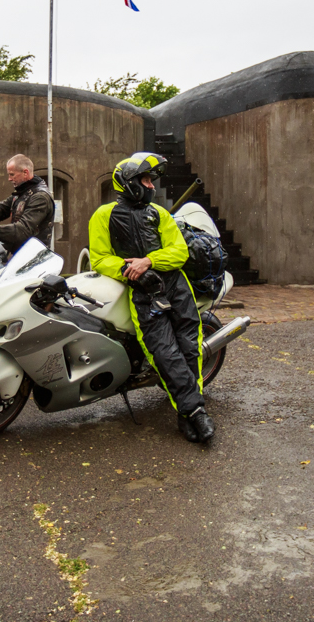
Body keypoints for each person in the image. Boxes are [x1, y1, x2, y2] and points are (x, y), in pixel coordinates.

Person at [88, 152, 216, 443]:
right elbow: (99, 259)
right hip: (144, 294)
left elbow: (179, 250)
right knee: (165, 354)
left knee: (190, 349)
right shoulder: (103, 215)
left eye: (150, 181)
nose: (150, 186)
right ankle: (195, 413)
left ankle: (189, 412)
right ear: (128, 181)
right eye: (145, 180)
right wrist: (128, 269)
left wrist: (148, 261)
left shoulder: (158, 213)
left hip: (176, 286)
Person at [0, 154, 56, 253]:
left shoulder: (40, 197)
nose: (9, 179)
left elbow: (22, 230)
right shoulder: (22, 194)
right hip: (22, 257)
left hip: (35, 259)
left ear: (25, 173)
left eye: (12, 174)